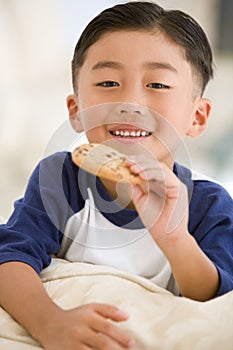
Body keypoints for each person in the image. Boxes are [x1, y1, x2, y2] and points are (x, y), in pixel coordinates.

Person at [0, 1, 233, 349]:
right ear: (76, 112)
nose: (131, 102)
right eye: (108, 82)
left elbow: (216, 298)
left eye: (157, 85)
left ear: (197, 118)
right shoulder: (60, 179)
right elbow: (10, 257)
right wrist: (48, 322)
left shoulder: (209, 203)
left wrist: (175, 239)